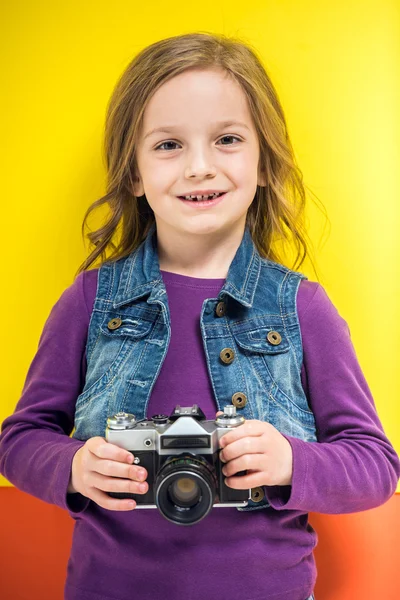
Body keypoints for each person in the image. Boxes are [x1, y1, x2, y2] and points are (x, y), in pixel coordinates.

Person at [0, 32, 399, 600]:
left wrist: (289, 461)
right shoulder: (90, 300)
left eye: (227, 139)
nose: (199, 167)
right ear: (133, 174)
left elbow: (376, 466)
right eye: (168, 146)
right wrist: (73, 467)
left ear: (265, 164)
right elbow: (19, 439)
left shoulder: (302, 308)